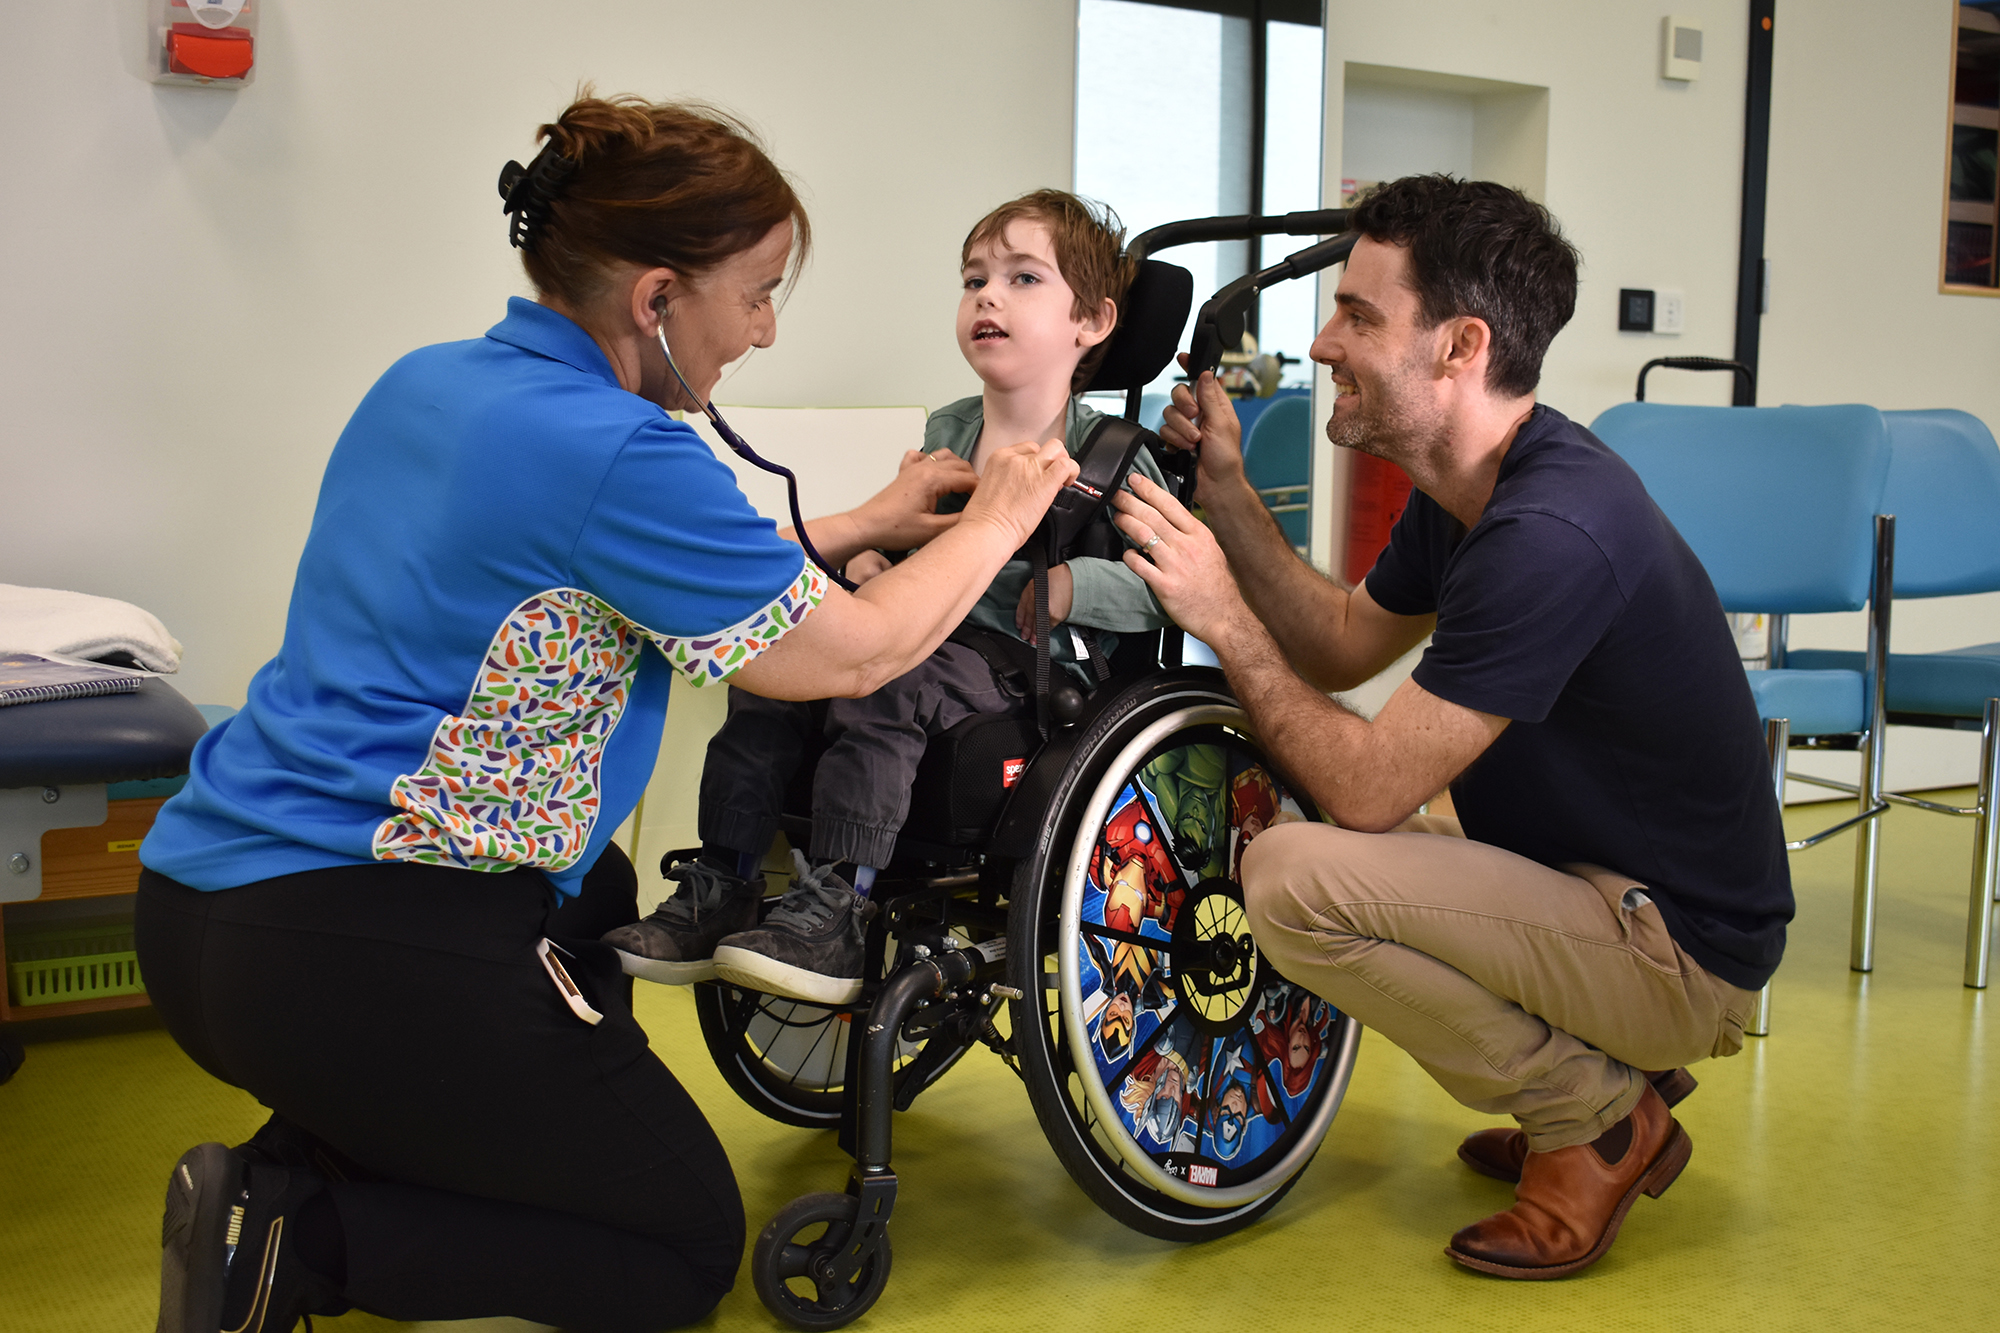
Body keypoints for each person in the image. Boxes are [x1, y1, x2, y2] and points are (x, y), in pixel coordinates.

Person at [135, 93, 1078, 1333]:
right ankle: (295, 1238)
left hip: (201, 914)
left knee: (592, 895)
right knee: (677, 1249)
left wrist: (855, 526)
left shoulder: (427, 384)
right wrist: (1005, 516)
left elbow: (592, 555)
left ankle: (331, 1139)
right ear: (655, 300)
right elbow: (847, 658)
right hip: (358, 947)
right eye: (753, 294)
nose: (763, 329)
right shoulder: (621, 451)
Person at [1110, 174, 1788, 1280]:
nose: (1324, 343)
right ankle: (1595, 1077)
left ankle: (1595, 1118)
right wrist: (1227, 499)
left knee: (1291, 877)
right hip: (1587, 889)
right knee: (1317, 849)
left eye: (1359, 316)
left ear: (1457, 345)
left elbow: (1369, 789)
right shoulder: (1470, 490)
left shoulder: (1550, 532)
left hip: (1676, 954)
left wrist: (1221, 615)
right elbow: (1337, 642)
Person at [605, 189, 1172, 1006]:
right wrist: (873, 555)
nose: (987, 295)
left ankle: (839, 898)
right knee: (781, 665)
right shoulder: (949, 429)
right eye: (975, 278)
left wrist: (1077, 581)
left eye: (1022, 279)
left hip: (1027, 668)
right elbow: (905, 528)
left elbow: (1165, 586)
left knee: (890, 679)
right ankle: (723, 877)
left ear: (1092, 322)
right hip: (924, 626)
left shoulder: (1107, 452)